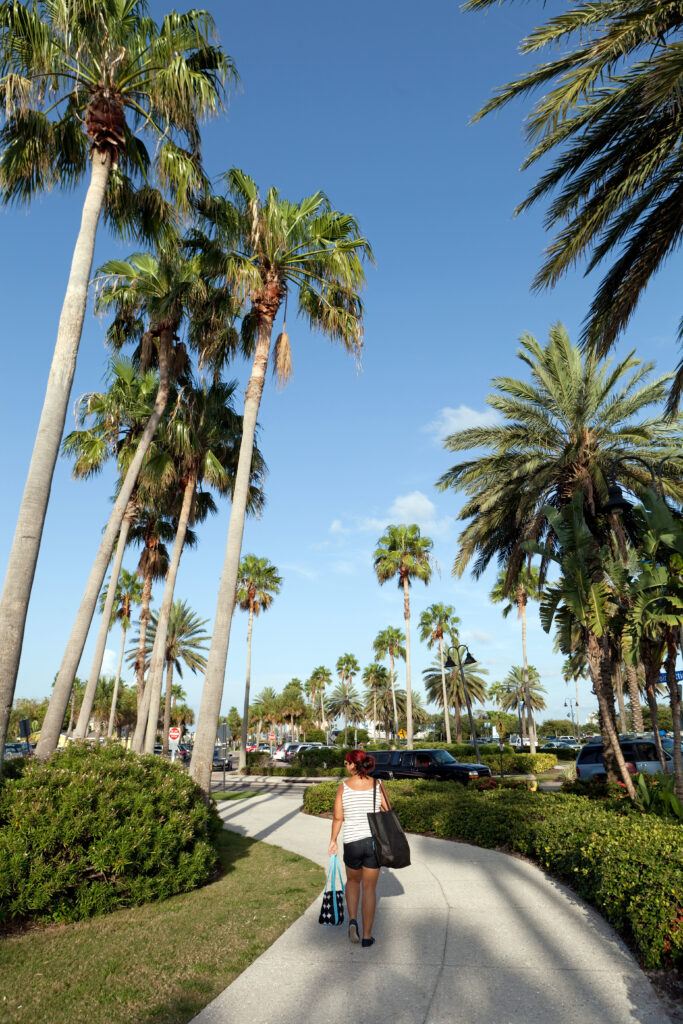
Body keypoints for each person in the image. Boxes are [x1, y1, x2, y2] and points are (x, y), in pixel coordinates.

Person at [328, 749, 388, 947]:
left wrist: (333, 840)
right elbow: (387, 809)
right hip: (372, 843)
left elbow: (338, 817)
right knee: (369, 889)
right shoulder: (377, 785)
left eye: (347, 763)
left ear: (354, 765)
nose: (346, 766)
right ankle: (367, 936)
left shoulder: (343, 787)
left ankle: (353, 921)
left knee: (353, 882)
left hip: (352, 843)